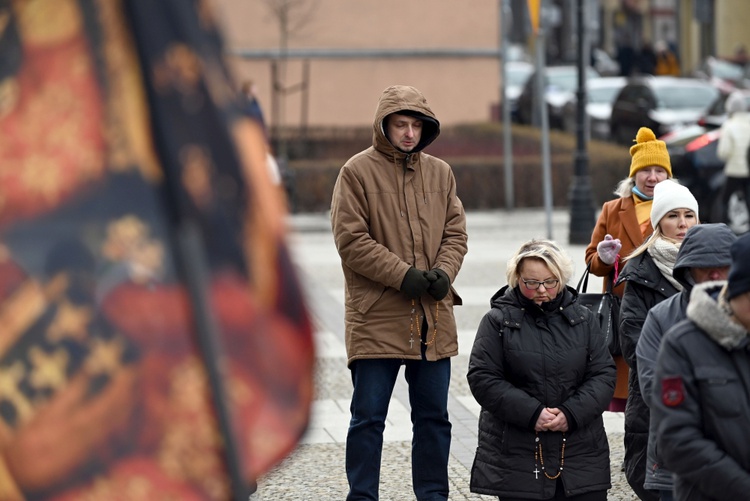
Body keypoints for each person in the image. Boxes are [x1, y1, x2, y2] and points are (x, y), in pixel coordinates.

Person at [330, 84, 468, 501]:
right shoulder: (355, 171)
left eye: (415, 125)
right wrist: (403, 275)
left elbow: (455, 232)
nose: (409, 133)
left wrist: (444, 271)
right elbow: (351, 240)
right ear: (383, 126)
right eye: (400, 124)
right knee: (368, 418)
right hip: (376, 315)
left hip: (431, 316)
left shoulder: (440, 172)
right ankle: (363, 496)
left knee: (434, 419)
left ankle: (433, 496)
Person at [467, 239, 616, 500]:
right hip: (518, 455)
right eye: (531, 283)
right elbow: (483, 378)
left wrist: (570, 413)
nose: (541, 291)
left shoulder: (584, 319)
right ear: (517, 279)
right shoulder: (496, 321)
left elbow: (603, 374)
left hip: (580, 453)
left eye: (550, 282)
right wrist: (532, 413)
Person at [636, 223, 736, 501]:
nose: (715, 274)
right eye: (704, 266)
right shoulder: (660, 318)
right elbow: (655, 389)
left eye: (724, 265)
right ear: (688, 269)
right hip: (676, 466)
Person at [616, 179, 700, 501]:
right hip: (655, 398)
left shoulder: (713, 267)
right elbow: (635, 342)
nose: (682, 224)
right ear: (658, 223)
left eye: (688, 215)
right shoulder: (640, 272)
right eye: (673, 216)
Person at [585, 126, 673, 413]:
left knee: (668, 385)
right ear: (633, 174)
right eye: (645, 170)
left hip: (666, 308)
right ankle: (635, 448)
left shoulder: (679, 208)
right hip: (626, 312)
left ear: (668, 175)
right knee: (633, 390)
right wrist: (604, 258)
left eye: (659, 170)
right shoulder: (613, 209)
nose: (652, 177)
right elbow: (592, 262)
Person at [716, 90, 750, 227]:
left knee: (724, 200)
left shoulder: (729, 125)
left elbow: (723, 152)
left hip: (734, 171)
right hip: (749, 170)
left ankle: (723, 226)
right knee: (748, 199)